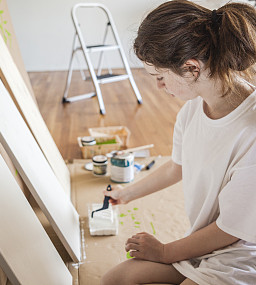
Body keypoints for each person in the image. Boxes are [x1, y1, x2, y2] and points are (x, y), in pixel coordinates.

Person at [100, 1, 256, 284]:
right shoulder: (192, 111)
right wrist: (127, 194)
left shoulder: (251, 131)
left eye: (160, 77)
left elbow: (230, 229)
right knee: (116, 279)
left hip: (243, 252)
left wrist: (163, 251)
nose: (159, 86)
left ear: (191, 68)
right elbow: (176, 167)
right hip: (205, 243)